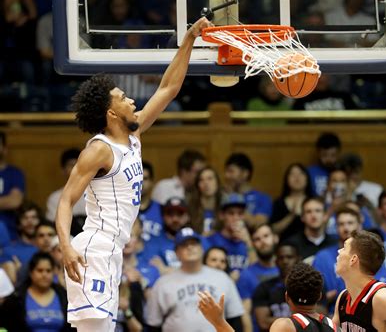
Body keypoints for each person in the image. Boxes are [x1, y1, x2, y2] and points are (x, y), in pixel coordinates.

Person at [55, 17, 213, 332]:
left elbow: (168, 88)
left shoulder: (134, 133)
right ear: (111, 113)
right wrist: (66, 245)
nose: (131, 99)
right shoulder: (98, 150)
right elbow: (65, 200)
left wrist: (190, 39)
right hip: (94, 249)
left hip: (114, 251)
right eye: (123, 98)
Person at [145, 227, 244, 331]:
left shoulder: (222, 278)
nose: (190, 248)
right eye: (184, 245)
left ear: (202, 248)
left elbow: (235, 319)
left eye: (194, 244)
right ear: (176, 253)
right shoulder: (162, 283)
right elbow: (153, 325)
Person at [199, 262, 340, 332]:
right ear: (319, 296)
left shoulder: (284, 326)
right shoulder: (333, 326)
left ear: (287, 297)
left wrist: (218, 322)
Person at [0, 252, 73, 332]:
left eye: (48, 271)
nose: (44, 274)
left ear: (53, 273)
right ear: (31, 273)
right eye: (40, 270)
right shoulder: (16, 298)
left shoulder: (65, 297)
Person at [270, 163, 313, 241]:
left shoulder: (314, 201)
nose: (297, 177)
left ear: (307, 178)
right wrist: (292, 215)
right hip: (285, 246)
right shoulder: (279, 203)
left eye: (301, 173)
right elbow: (273, 229)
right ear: (286, 180)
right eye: (292, 174)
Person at [45, 148, 86, 223]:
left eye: (79, 164)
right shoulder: (55, 198)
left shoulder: (96, 194)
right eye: (71, 165)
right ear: (63, 170)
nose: (76, 169)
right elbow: (52, 226)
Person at [0, 131, 26, 240]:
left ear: (5, 149)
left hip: (9, 236)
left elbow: (15, 201)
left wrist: (9, 201)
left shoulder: (14, 173)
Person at [307, 132, 341, 196]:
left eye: (333, 155)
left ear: (338, 154)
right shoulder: (309, 173)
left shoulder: (343, 172)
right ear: (318, 153)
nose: (329, 159)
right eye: (324, 155)